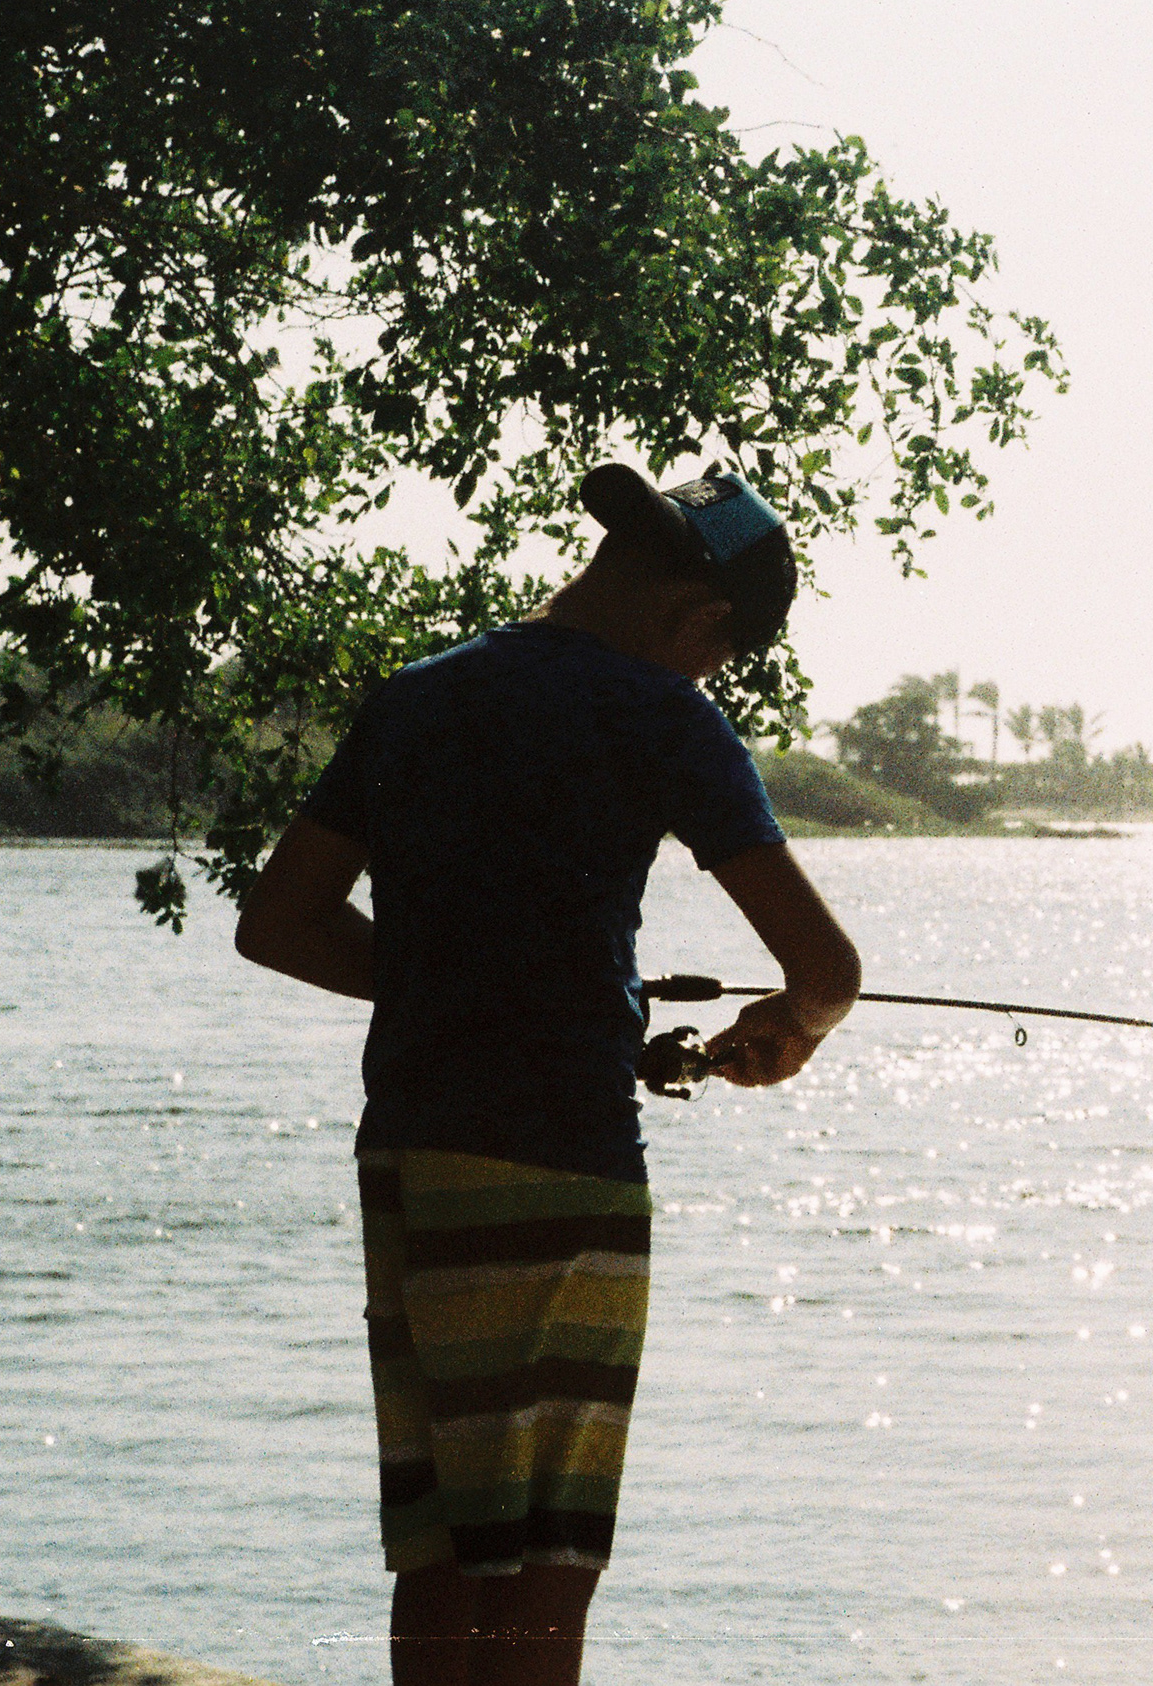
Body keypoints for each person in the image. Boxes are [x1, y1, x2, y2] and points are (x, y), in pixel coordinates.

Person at [236, 463, 864, 1686]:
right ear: (701, 624)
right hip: (557, 1166)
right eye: (718, 661)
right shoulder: (664, 715)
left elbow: (281, 923)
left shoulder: (415, 699)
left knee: (440, 1542)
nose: (708, 681)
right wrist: (789, 1029)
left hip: (410, 1155)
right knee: (544, 1550)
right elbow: (826, 969)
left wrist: (476, 991)